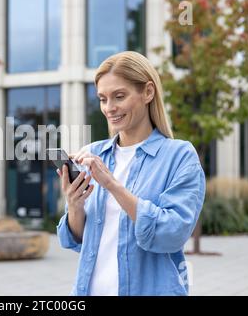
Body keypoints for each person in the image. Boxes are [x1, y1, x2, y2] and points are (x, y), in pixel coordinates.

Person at [56, 51, 206, 296]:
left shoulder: (179, 156)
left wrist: (113, 185)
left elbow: (173, 232)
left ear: (148, 92)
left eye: (119, 96)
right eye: (103, 99)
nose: (109, 108)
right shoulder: (94, 154)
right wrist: (75, 205)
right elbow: (75, 240)